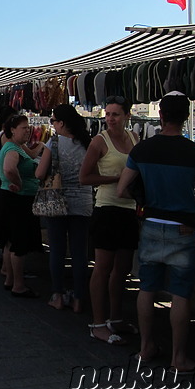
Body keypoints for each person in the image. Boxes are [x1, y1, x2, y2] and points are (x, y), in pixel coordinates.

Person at [116, 92, 195, 373]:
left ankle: (146, 347)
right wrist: (192, 199)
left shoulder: (142, 150)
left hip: (151, 225)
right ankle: (179, 358)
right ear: (185, 118)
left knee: (147, 288)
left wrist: (146, 199)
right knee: (180, 295)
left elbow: (121, 189)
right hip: (183, 230)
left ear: (160, 116)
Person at [79, 95, 140, 345]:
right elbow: (85, 177)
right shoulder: (99, 141)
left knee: (122, 269)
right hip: (107, 208)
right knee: (102, 268)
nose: (111, 119)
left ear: (127, 115)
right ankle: (97, 322)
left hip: (129, 209)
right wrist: (115, 179)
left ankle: (115, 318)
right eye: (108, 114)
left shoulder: (135, 139)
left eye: (115, 114)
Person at [35, 104, 93, 313]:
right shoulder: (89, 143)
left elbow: (40, 174)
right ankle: (78, 299)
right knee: (80, 253)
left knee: (57, 251)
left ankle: (58, 295)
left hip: (57, 201)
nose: (53, 125)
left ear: (62, 123)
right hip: (84, 202)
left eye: (53, 121)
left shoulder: (54, 142)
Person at [0, 115, 42, 298]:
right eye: (24, 127)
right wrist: (20, 183)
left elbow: (31, 155)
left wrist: (43, 145)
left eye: (28, 127)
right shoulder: (12, 149)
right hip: (18, 199)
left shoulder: (16, 146)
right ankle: (18, 284)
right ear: (13, 130)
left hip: (12, 198)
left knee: (10, 241)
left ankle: (10, 279)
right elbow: (9, 168)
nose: (28, 130)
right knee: (19, 243)